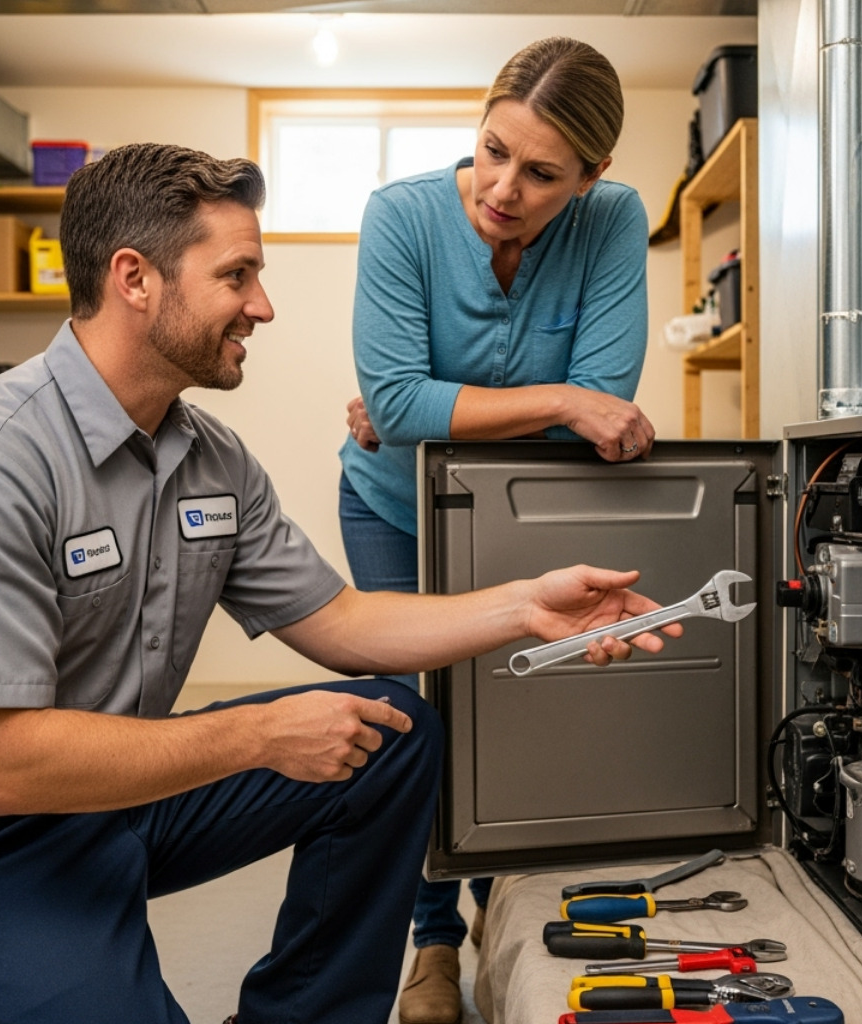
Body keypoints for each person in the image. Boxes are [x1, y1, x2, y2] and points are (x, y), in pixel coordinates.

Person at [0, 142, 679, 1024]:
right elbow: (4, 765)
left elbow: (340, 620)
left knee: (393, 732)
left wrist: (523, 606)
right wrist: (258, 734)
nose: (261, 306)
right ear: (135, 278)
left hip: (117, 793)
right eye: (238, 276)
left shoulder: (210, 458)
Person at [337, 36, 655, 1024]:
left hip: (528, 509)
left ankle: (500, 903)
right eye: (492, 151)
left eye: (542, 172)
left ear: (591, 176)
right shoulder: (400, 215)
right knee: (408, 721)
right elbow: (396, 402)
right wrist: (550, 396)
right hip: (393, 507)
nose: (504, 188)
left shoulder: (614, 221)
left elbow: (610, 402)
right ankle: (431, 940)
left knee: (517, 705)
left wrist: (440, 402)